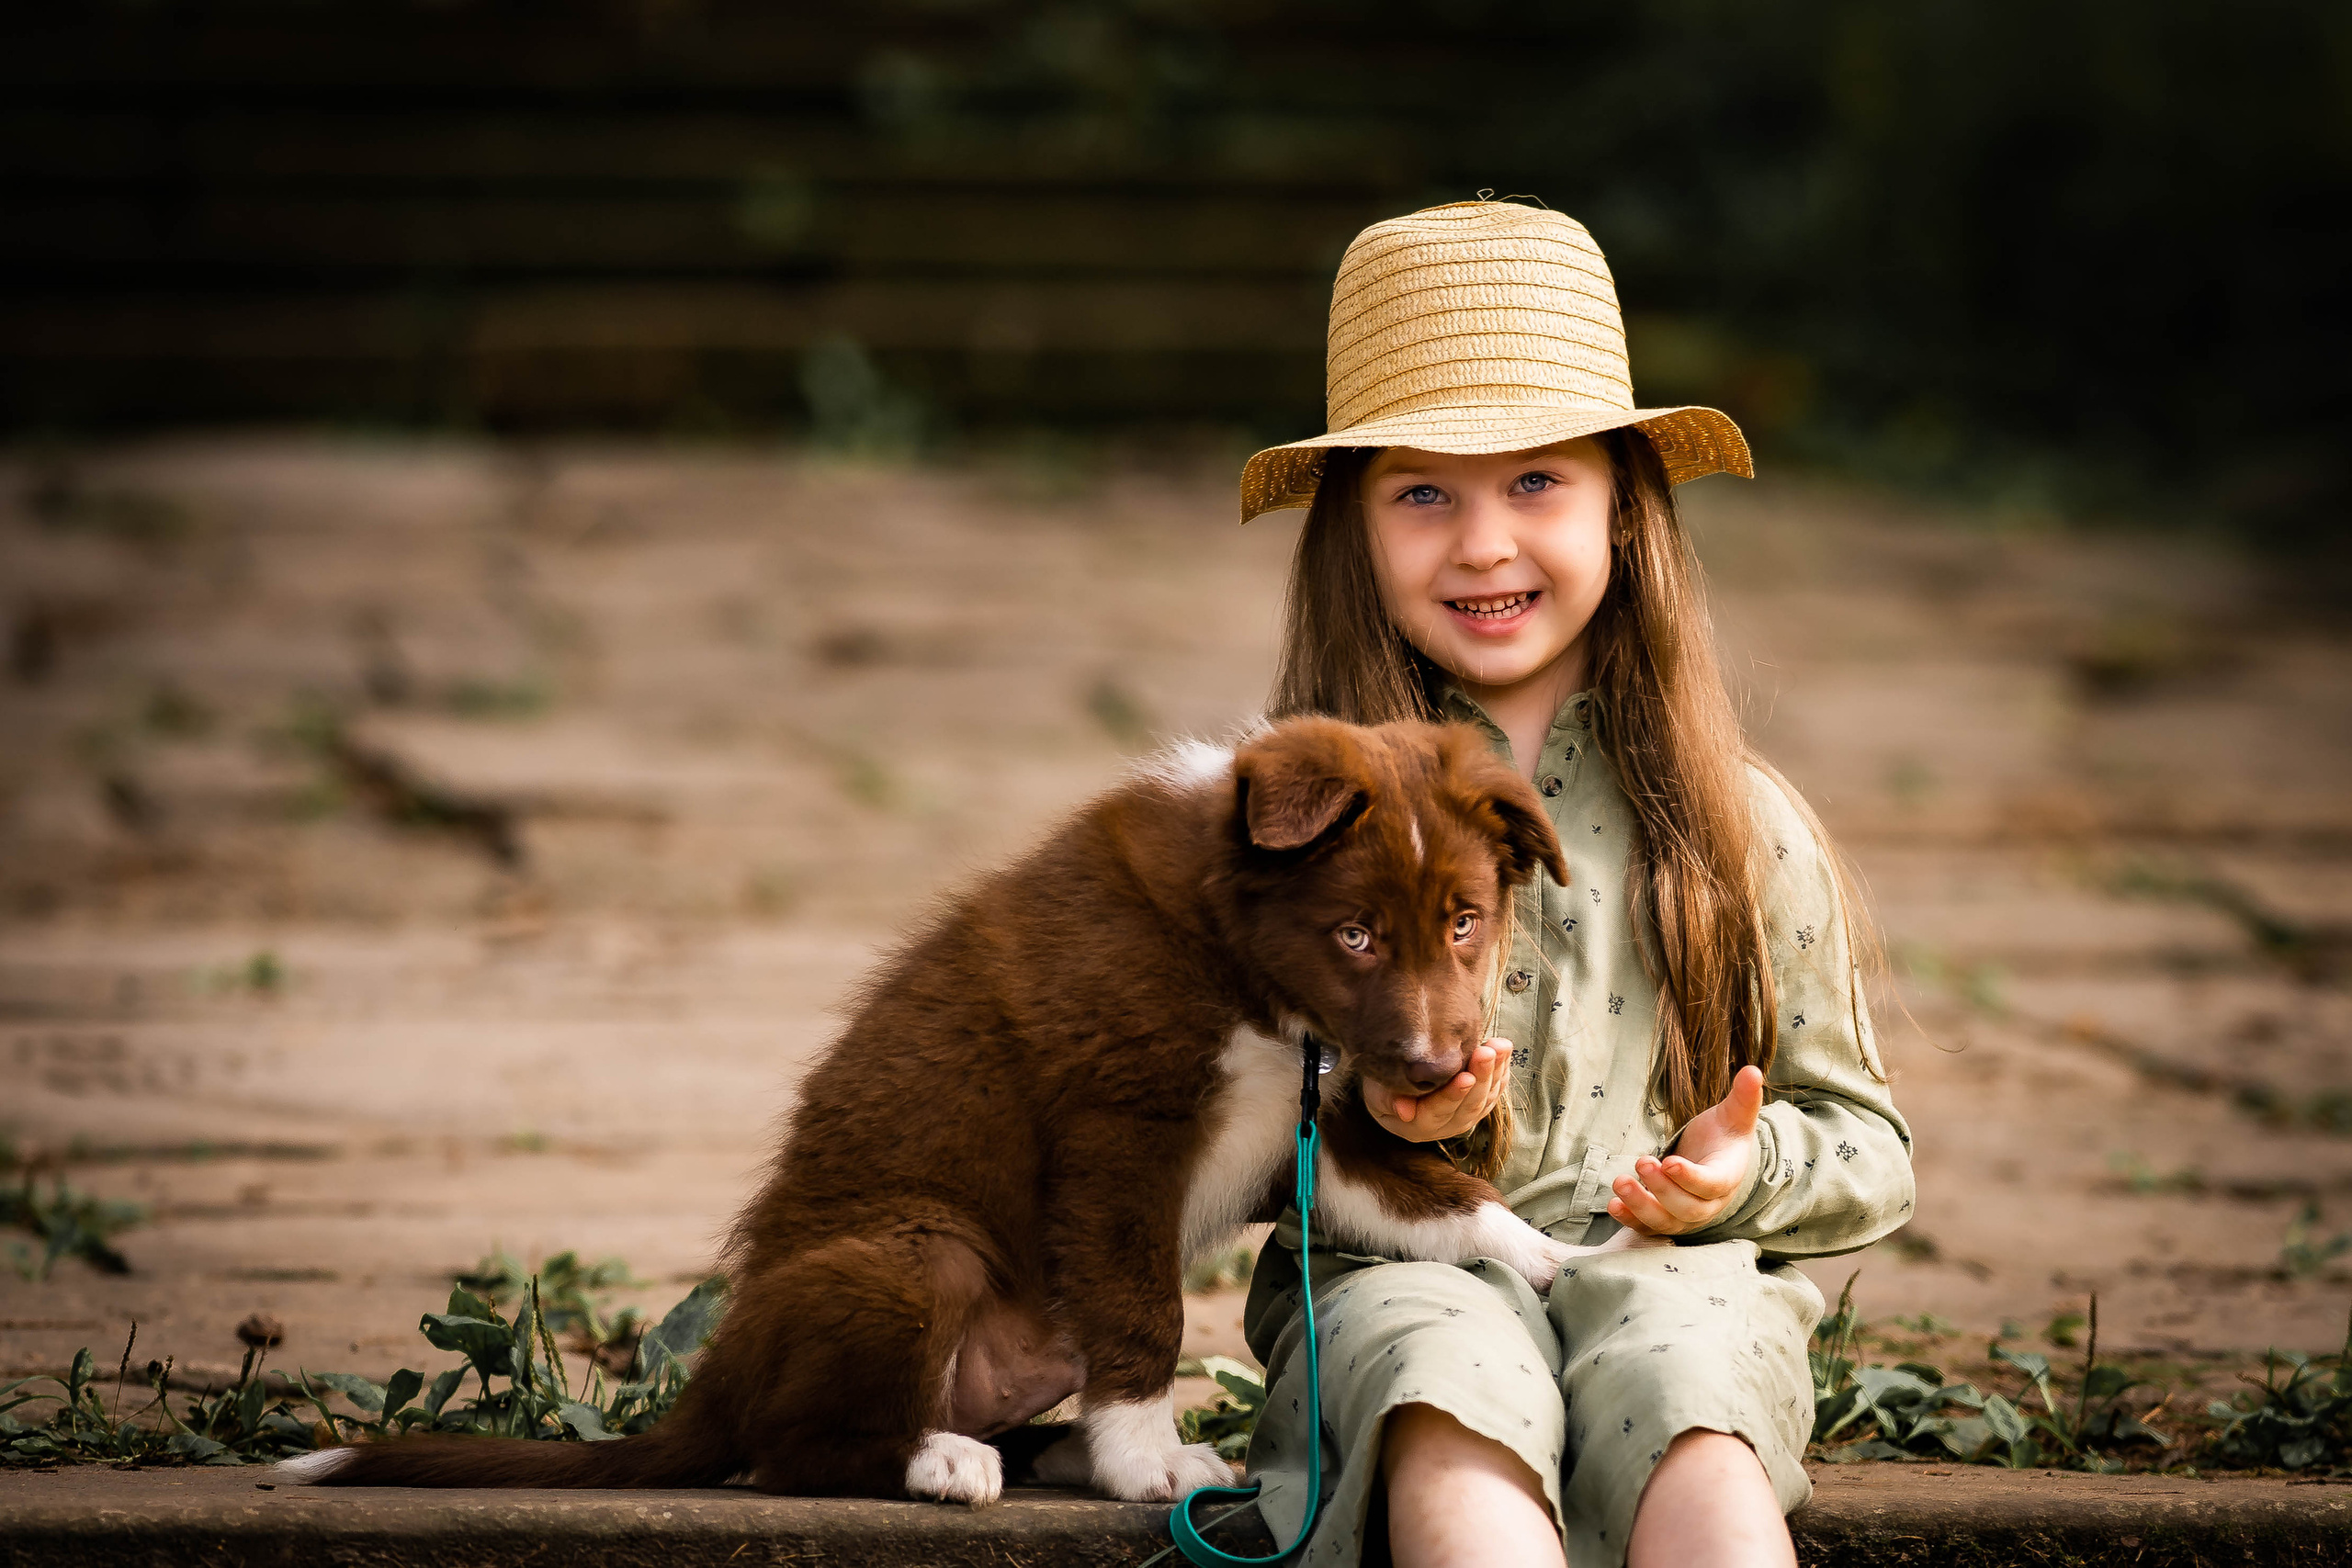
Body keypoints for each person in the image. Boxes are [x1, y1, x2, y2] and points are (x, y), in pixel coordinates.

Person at [1230, 200, 1915, 1568]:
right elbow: (1213, 1135)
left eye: (1537, 483)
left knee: (1698, 1437)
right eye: (1424, 491)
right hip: (1400, 1274)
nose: (1483, 544)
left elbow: (1870, 1149)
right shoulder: (1297, 824)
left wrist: (1740, 1172)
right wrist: (1372, 1111)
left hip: (1675, 1280)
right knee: (1448, 1427)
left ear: (1627, 504)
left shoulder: (1736, 825)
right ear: (1354, 529)